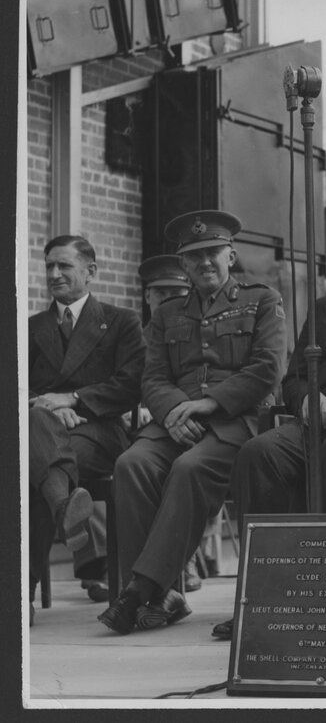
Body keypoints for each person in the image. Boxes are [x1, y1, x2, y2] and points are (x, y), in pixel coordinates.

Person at [98, 210, 286, 635]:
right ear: (184, 264)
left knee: (189, 468)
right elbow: (152, 377)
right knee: (131, 463)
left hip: (236, 422)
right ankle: (161, 596)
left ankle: (140, 592)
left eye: (213, 252)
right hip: (175, 420)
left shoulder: (263, 300)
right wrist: (174, 411)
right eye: (195, 256)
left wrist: (207, 405)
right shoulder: (166, 314)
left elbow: (268, 369)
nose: (205, 262)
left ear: (230, 255)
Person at [210, 206, 326, 641]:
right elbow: (293, 376)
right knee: (258, 453)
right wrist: (310, 397)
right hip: (323, 419)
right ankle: (263, 598)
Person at [27, 235, 145, 622]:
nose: (54, 274)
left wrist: (73, 399)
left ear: (90, 271)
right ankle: (65, 508)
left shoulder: (121, 321)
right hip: (42, 428)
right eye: (49, 266)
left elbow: (130, 384)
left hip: (99, 433)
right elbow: (15, 384)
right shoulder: (30, 327)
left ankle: (20, 594)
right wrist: (44, 407)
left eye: (64, 265)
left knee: (34, 468)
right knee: (39, 449)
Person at [135, 255, 206, 594]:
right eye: (160, 293)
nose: (166, 300)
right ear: (147, 295)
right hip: (139, 423)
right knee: (132, 465)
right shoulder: (133, 334)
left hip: (183, 418)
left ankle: (185, 557)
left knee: (192, 462)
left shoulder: (196, 330)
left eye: (175, 293)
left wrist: (174, 412)